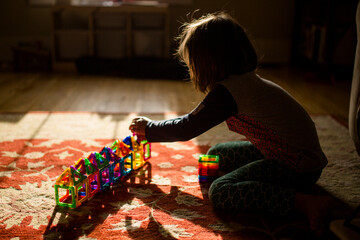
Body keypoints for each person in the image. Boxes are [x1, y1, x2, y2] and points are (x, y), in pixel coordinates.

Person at [129, 12, 332, 235]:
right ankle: (269, 181)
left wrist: (149, 129)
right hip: (287, 152)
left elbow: (188, 126)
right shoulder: (243, 81)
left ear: (209, 63)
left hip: (298, 166)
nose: (192, 71)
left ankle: (302, 201)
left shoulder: (229, 92)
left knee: (221, 191)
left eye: (192, 65)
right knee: (217, 153)